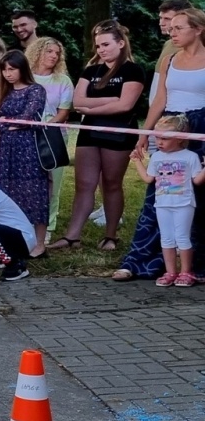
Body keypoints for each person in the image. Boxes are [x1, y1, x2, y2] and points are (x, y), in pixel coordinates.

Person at [121, 8, 205, 279]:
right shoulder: (168, 60)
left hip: (200, 125)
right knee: (160, 193)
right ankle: (142, 261)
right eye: (172, 28)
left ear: (198, 29)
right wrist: (144, 135)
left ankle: (195, 266)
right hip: (169, 125)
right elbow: (159, 100)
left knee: (198, 195)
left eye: (179, 28)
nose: (173, 32)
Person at [50, 21, 145, 255]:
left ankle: (110, 235)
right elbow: (78, 102)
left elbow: (126, 105)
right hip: (89, 132)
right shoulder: (91, 71)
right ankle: (72, 236)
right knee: (84, 184)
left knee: (112, 184)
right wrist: (111, 101)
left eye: (106, 44)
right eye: (98, 46)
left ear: (121, 44)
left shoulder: (133, 70)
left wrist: (94, 108)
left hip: (119, 133)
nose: (101, 49)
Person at [130, 114, 205, 287]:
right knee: (166, 238)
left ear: (180, 138)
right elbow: (149, 179)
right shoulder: (156, 157)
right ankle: (170, 272)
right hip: (162, 203)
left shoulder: (190, 157)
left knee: (182, 237)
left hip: (184, 204)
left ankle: (186, 272)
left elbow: (197, 180)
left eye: (165, 138)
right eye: (157, 137)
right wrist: (137, 162)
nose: (160, 142)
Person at [0, 50, 49, 256]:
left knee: (34, 192)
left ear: (22, 68)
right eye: (4, 70)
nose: (7, 74)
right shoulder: (4, 93)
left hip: (29, 149)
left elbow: (27, 117)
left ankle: (39, 243)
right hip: (6, 149)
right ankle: (11, 239)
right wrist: (8, 125)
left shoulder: (36, 90)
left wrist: (7, 122)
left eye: (12, 69)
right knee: (6, 190)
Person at [27, 36, 74, 234]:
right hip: (27, 135)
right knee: (28, 180)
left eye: (57, 53)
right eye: (49, 51)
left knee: (52, 181)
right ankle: (27, 221)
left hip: (53, 136)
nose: (54, 56)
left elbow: (63, 112)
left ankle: (48, 224)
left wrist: (46, 126)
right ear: (38, 52)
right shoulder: (25, 77)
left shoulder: (63, 80)